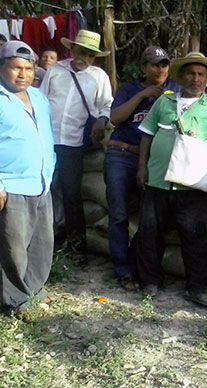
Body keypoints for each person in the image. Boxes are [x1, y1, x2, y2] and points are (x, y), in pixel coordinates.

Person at [136, 52, 207, 307]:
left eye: (201, 74)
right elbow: (146, 135)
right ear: (181, 76)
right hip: (157, 179)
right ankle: (150, 281)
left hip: (191, 183)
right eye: (191, 73)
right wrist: (141, 167)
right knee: (150, 232)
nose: (196, 78)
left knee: (195, 236)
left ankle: (196, 287)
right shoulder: (164, 103)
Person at [106, 46, 178, 291]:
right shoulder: (129, 89)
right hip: (120, 154)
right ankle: (122, 269)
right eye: (154, 64)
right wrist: (143, 95)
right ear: (143, 68)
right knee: (118, 215)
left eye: (164, 64)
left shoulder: (174, 93)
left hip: (152, 161)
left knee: (153, 217)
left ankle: (136, 263)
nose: (160, 69)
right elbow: (114, 119)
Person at [40, 29, 113, 260]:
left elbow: (106, 105)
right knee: (45, 190)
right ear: (72, 49)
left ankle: (76, 246)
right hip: (46, 140)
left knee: (71, 193)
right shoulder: (55, 71)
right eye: (83, 52)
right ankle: (45, 241)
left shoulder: (98, 76)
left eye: (91, 55)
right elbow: (40, 101)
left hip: (73, 142)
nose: (86, 58)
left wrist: (101, 121)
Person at [0, 41, 56, 313]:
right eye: (15, 68)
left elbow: (46, 135)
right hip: (12, 183)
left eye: (28, 68)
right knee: (14, 246)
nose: (22, 74)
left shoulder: (39, 98)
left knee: (42, 242)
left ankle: (35, 287)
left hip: (41, 181)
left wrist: (51, 167)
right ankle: (15, 299)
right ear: (2, 68)